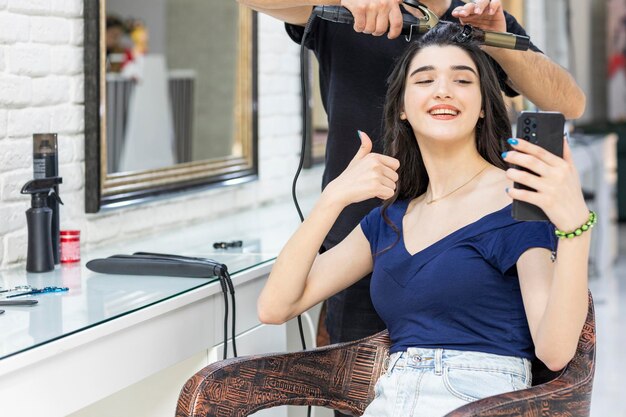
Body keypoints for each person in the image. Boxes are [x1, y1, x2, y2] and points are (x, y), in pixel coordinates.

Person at [243, 0, 586, 391]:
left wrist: (498, 40)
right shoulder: (385, 224)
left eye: (462, 80)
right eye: (424, 81)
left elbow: (570, 102)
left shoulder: (512, 208)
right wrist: (334, 197)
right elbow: (273, 307)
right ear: (401, 106)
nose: (442, 91)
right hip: (373, 248)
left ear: (482, 106)